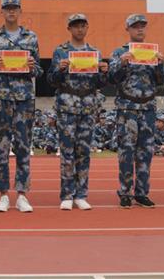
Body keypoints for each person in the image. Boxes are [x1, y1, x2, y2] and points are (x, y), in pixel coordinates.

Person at [0, 0, 42, 213]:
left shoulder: (31, 37)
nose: (11, 12)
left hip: (25, 98)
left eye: (14, 8)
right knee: (1, 146)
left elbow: (39, 71)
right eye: (7, 8)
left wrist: (32, 66)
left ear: (20, 11)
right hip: (1, 98)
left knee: (23, 146)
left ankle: (22, 195)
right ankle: (3, 195)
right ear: (2, 11)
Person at [47, 12, 108, 211]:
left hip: (88, 106)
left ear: (87, 27)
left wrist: (104, 72)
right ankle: (67, 194)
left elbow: (101, 83)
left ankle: (81, 194)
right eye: (75, 26)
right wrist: (59, 69)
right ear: (69, 28)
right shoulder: (61, 51)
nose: (79, 29)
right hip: (67, 106)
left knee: (83, 152)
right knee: (67, 152)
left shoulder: (95, 52)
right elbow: (51, 80)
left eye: (82, 25)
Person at [108, 14, 164, 209]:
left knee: (146, 152)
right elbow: (111, 78)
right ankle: (125, 192)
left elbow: (161, 81)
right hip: (127, 109)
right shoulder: (120, 52)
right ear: (128, 29)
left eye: (142, 26)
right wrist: (121, 63)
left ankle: (142, 193)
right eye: (135, 26)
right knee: (126, 152)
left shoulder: (153, 52)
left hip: (148, 108)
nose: (140, 29)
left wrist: (161, 65)